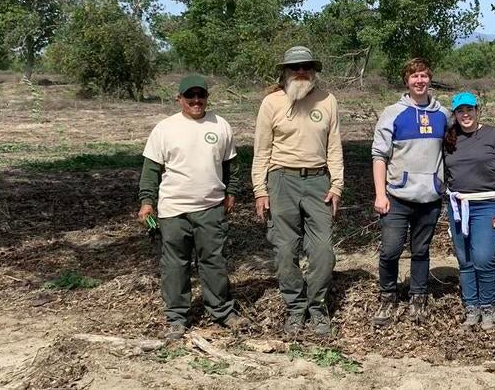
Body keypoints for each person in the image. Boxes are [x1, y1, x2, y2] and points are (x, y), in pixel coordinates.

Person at [138, 74, 250, 340]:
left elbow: (231, 166)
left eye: (201, 95)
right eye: (190, 96)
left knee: (214, 261)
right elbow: (151, 170)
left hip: (211, 207)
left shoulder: (221, 125)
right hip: (173, 210)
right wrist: (146, 202)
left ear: (207, 98)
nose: (196, 101)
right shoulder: (164, 129)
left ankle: (222, 311)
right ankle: (177, 317)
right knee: (175, 265)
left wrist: (232, 192)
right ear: (180, 99)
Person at [251, 46, 342, 336]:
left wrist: (337, 185)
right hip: (281, 180)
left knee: (323, 251)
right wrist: (260, 191)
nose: (300, 72)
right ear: (285, 72)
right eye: (294, 68)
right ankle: (295, 308)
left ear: (314, 70)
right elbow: (261, 151)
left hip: (318, 182)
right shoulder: (271, 103)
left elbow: (335, 148)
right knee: (285, 249)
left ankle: (317, 308)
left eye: (305, 67)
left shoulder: (327, 101)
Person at [370, 58, 451, 327]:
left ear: (430, 79)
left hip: (429, 198)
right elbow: (379, 156)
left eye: (424, 76)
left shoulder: (444, 115)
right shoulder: (392, 113)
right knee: (391, 251)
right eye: (414, 76)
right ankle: (388, 297)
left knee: (421, 250)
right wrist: (380, 194)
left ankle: (418, 297)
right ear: (406, 81)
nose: (419, 81)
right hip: (396, 196)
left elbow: (453, 150)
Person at [444, 92, 495, 331]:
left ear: (477, 110)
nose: (465, 115)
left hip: (487, 204)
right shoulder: (449, 139)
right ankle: (471, 308)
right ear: (455, 114)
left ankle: (488, 307)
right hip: (458, 206)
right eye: (460, 111)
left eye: (469, 109)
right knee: (465, 261)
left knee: (483, 258)